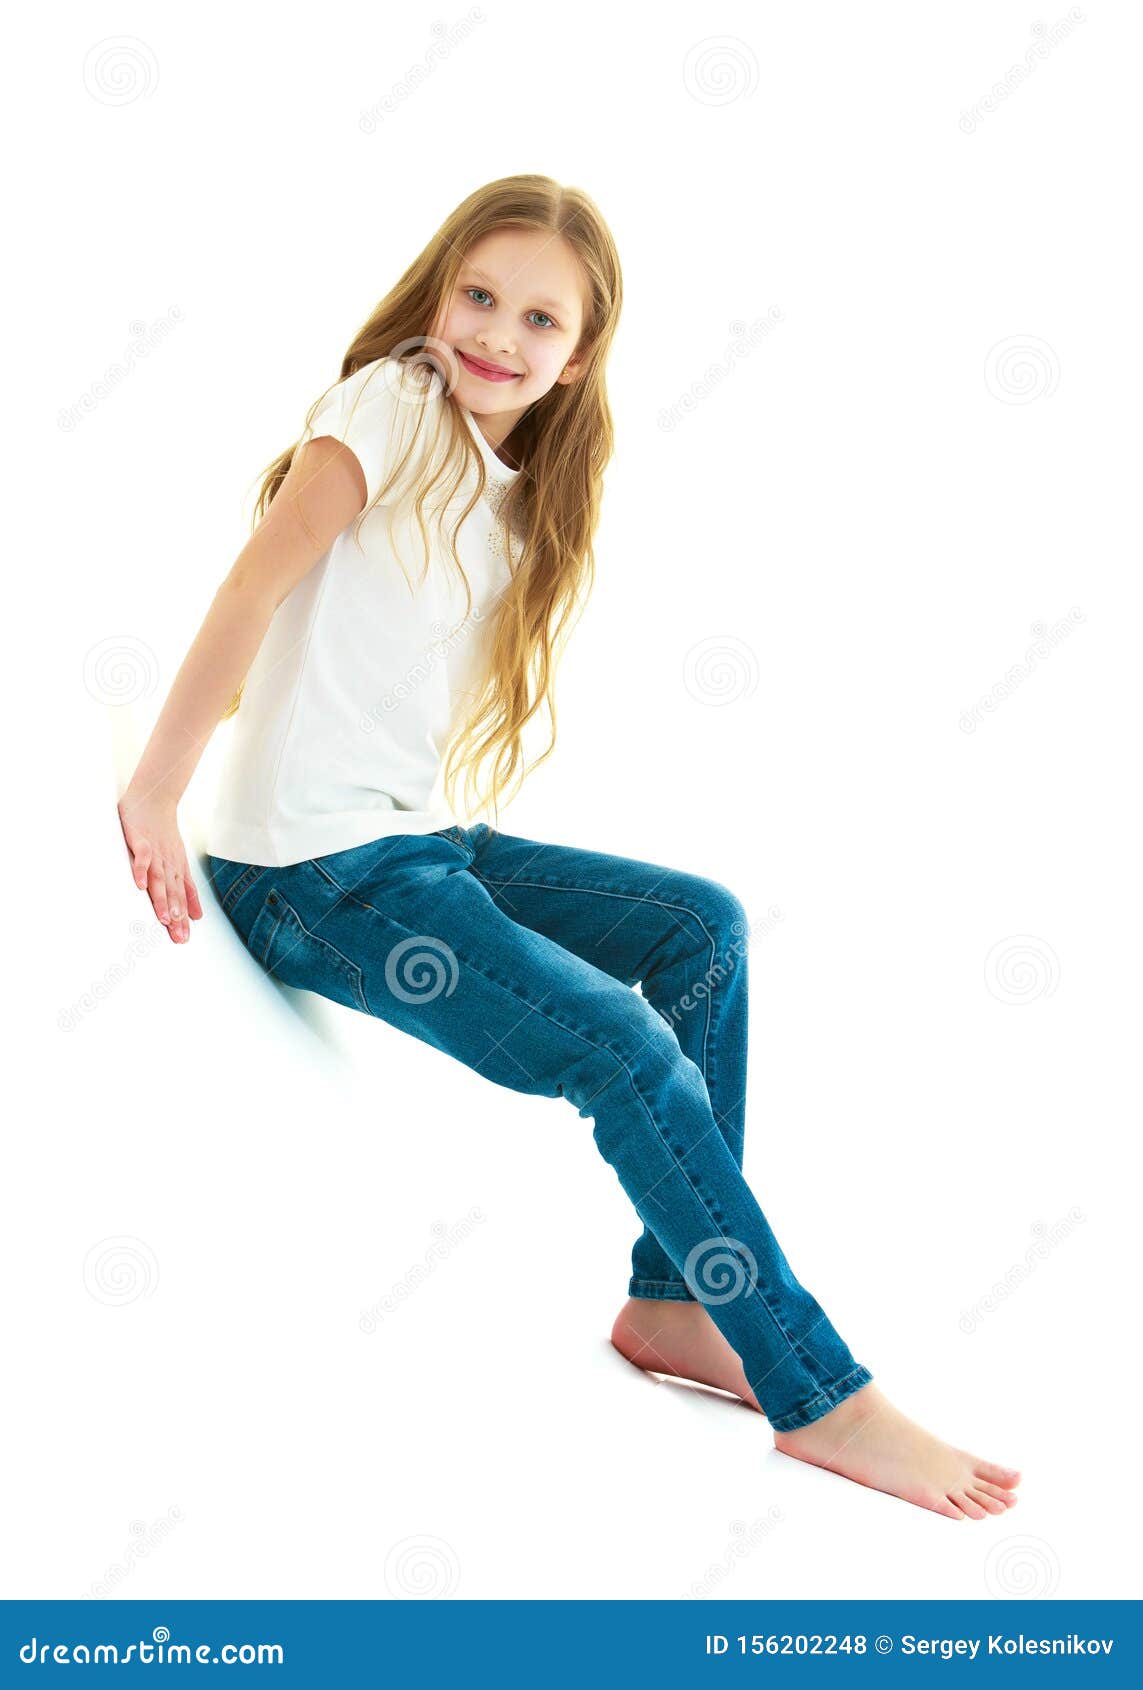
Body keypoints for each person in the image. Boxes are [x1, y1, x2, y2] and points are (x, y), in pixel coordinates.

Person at [117, 174, 1021, 1521]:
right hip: (312, 878)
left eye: (539, 317)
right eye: (477, 294)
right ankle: (820, 1390)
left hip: (414, 845)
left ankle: (673, 1303)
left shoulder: (506, 483)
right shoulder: (388, 407)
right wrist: (155, 788)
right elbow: (254, 579)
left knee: (699, 927)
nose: (497, 331)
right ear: (437, 295)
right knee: (622, 1044)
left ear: (578, 355)